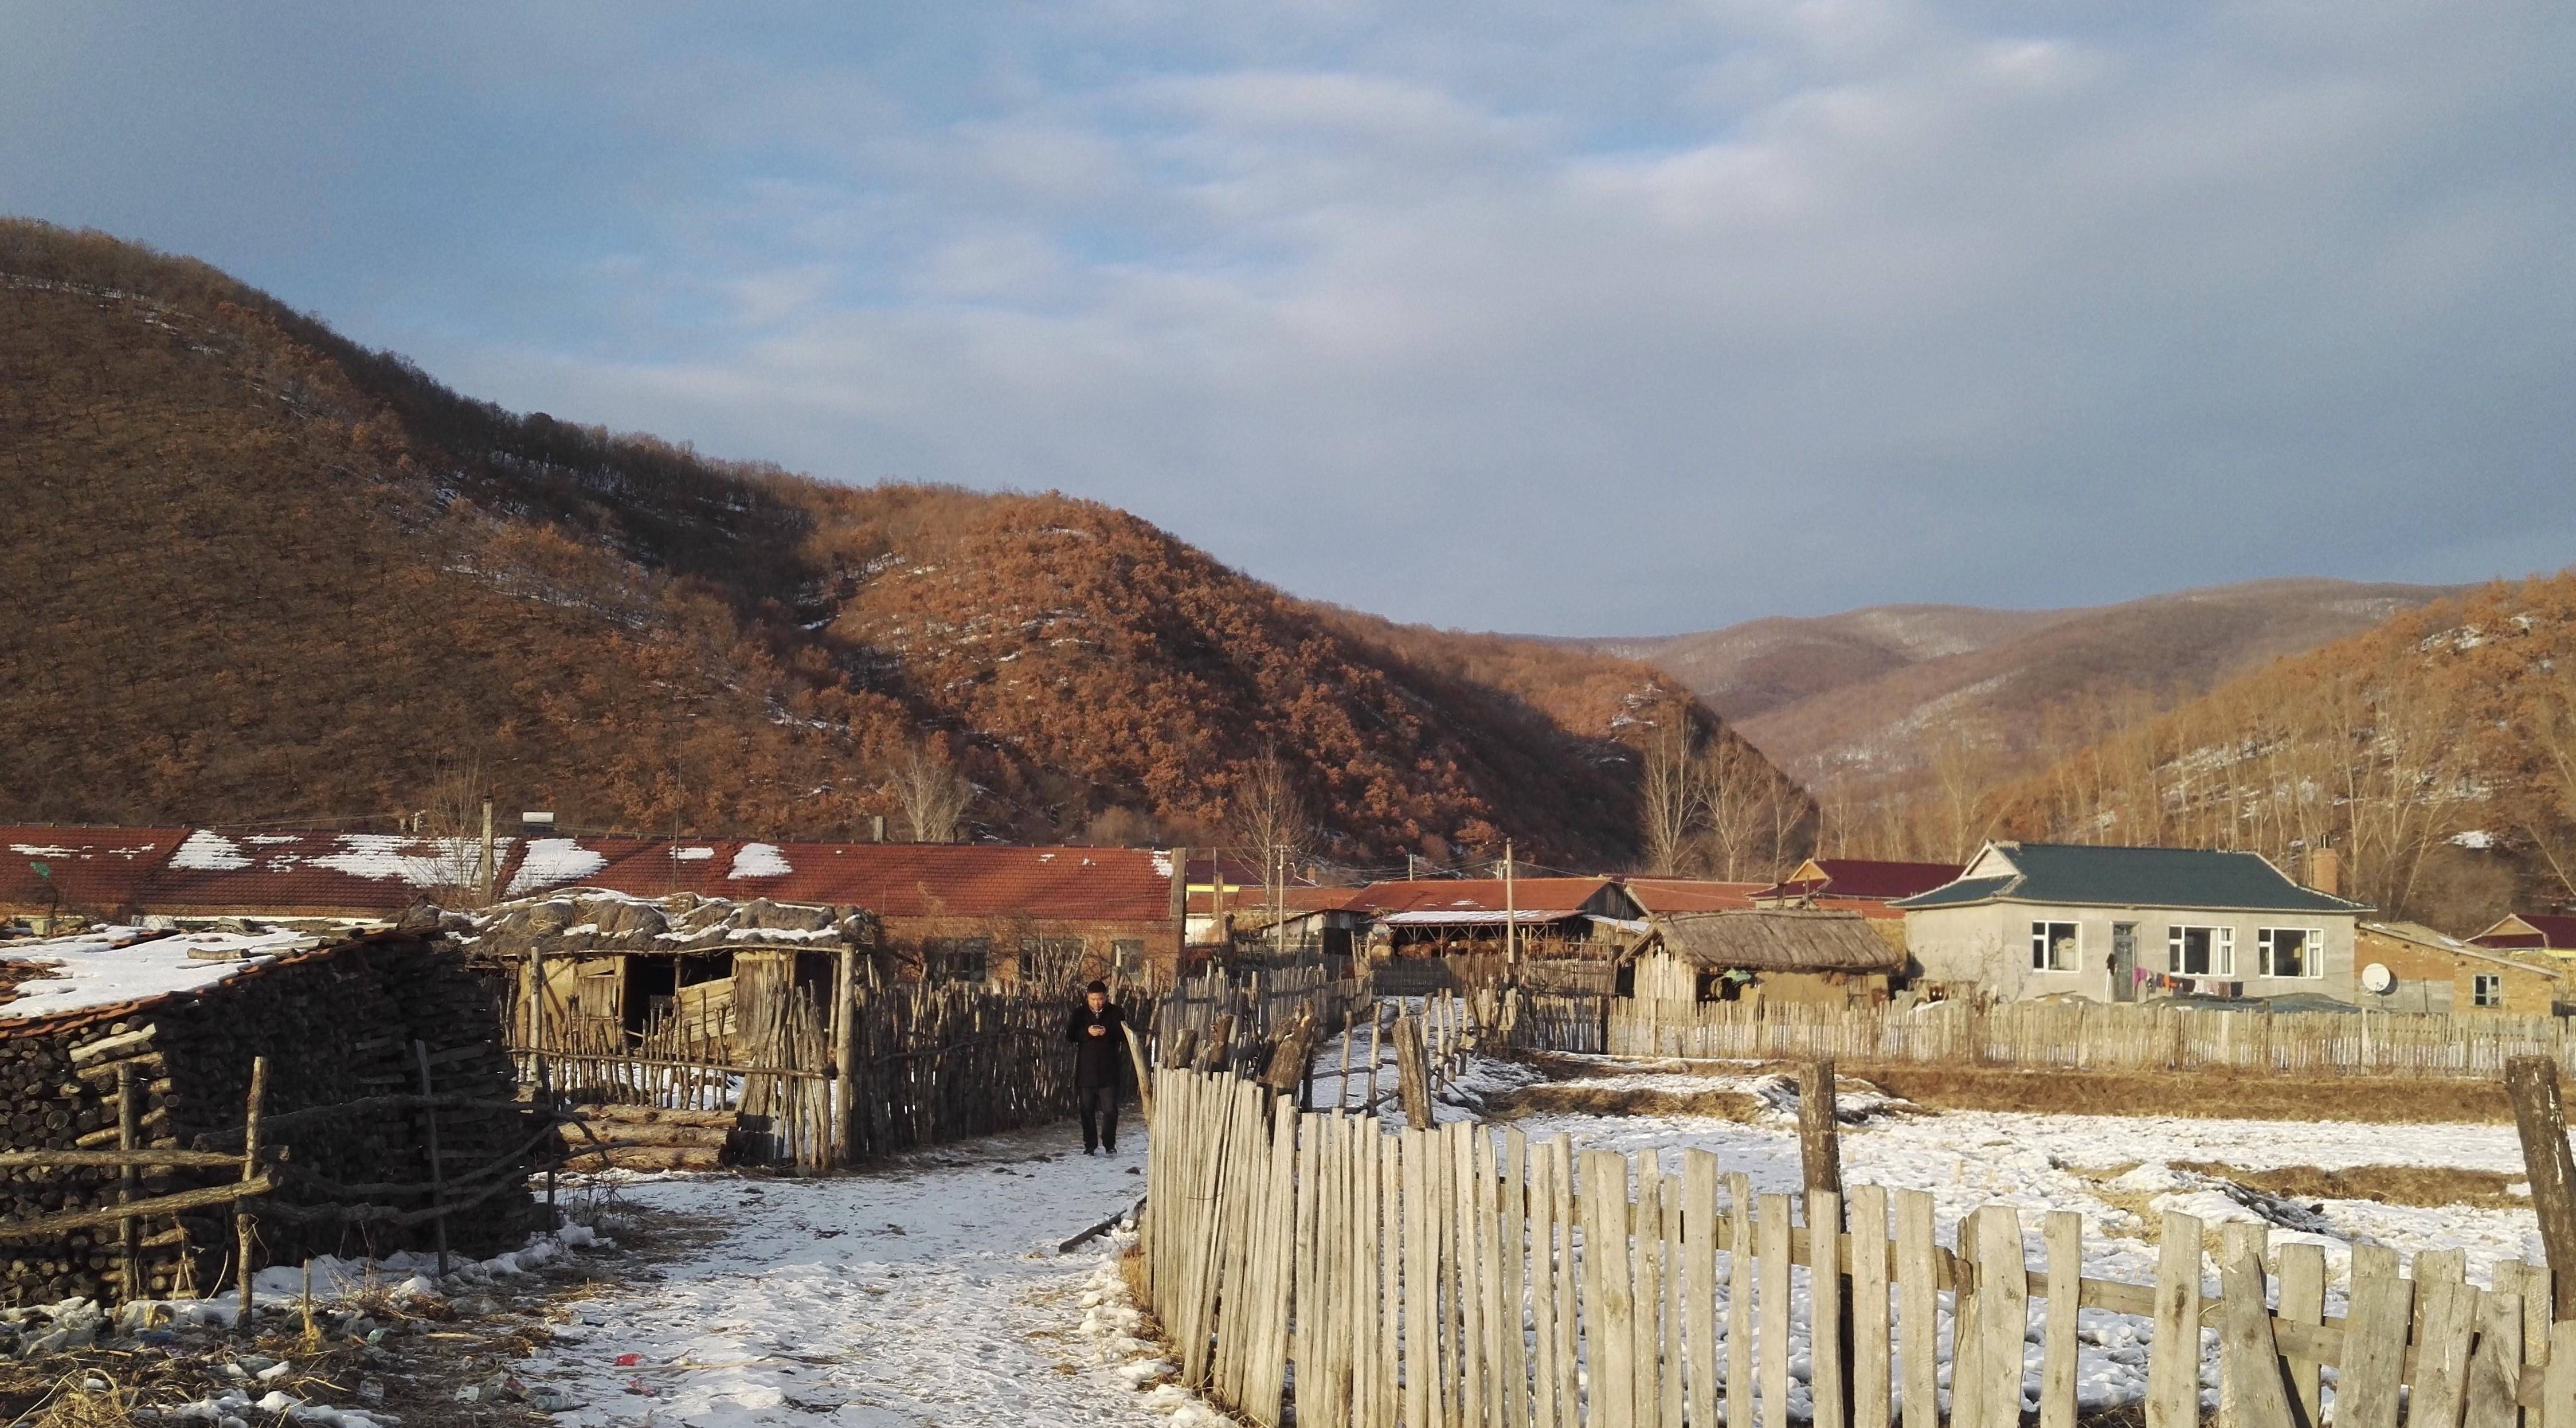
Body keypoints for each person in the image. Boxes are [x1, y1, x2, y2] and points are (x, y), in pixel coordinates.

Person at [1065, 979, 1126, 1155]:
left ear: (1106, 997)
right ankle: (1090, 1145)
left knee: (1110, 1110)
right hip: (1087, 1069)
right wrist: (1087, 1033)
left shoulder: (1116, 1012)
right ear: (1087, 998)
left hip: (1109, 1069)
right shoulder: (1080, 1013)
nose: (1096, 1003)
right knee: (1086, 1110)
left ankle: (1109, 1143)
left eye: (1100, 999)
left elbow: (1124, 1034)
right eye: (1093, 999)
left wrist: (1108, 1032)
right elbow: (1070, 1035)